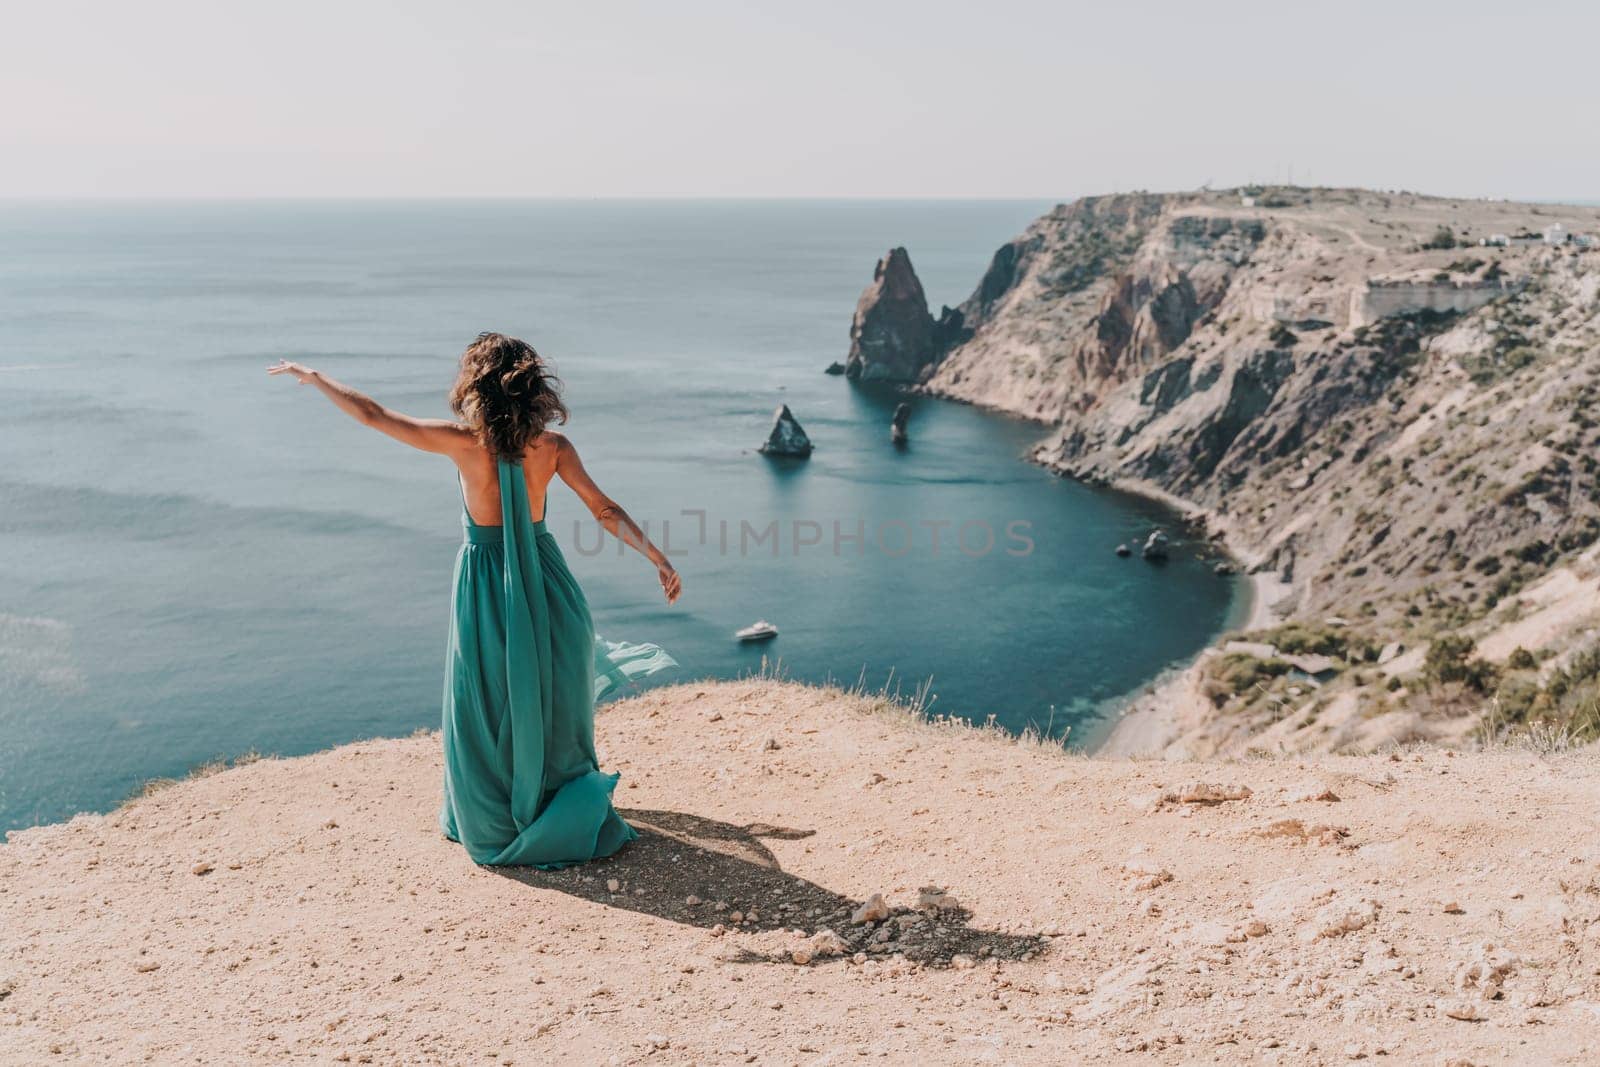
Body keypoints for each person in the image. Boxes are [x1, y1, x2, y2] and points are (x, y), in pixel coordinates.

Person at [268, 332, 679, 867]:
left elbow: (373, 415)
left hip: (488, 583)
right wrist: (657, 558)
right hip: (547, 581)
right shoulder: (553, 448)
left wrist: (317, 378)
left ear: (476, 388)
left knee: (483, 698)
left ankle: (493, 813)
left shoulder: (464, 444)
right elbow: (603, 510)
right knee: (553, 693)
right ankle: (554, 799)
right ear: (534, 391)